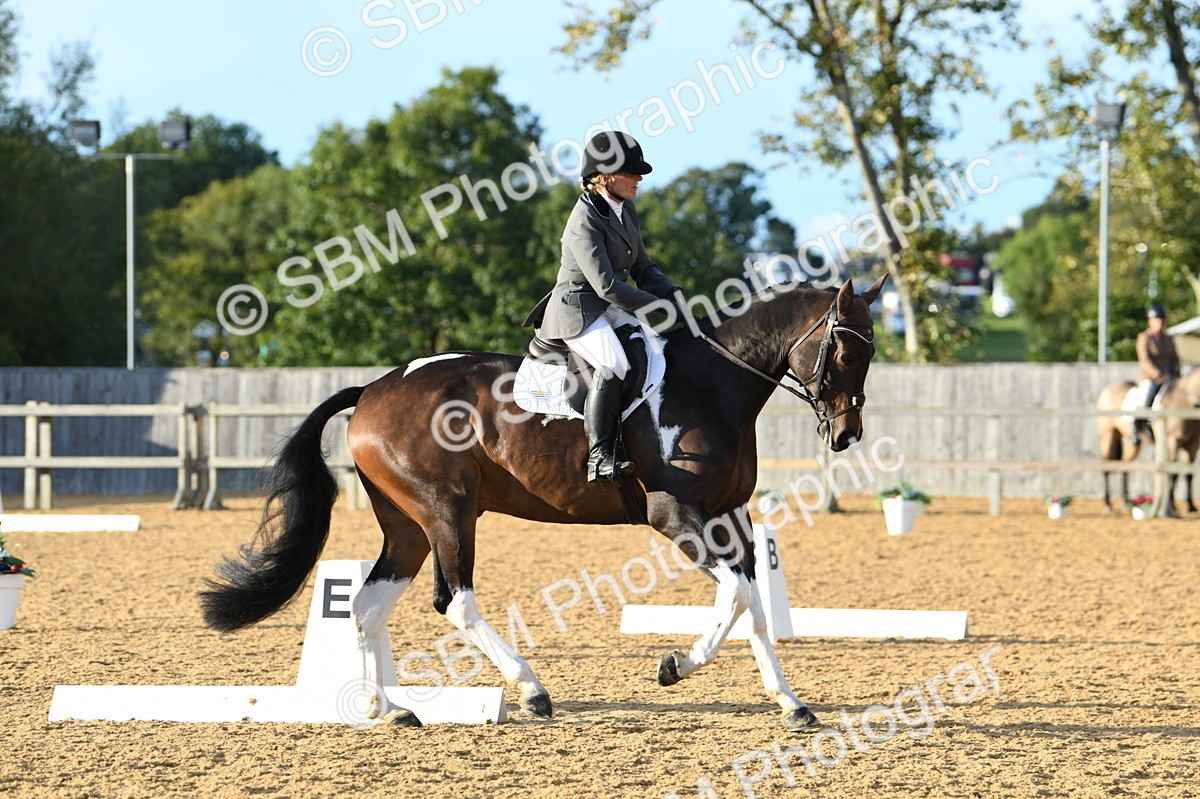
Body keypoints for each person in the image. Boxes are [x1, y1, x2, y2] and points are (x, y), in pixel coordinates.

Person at [523, 131, 681, 482]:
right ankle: (600, 454)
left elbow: (642, 267)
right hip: (577, 309)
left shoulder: (626, 210)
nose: (639, 179)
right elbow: (606, 285)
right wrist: (658, 304)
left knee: (656, 348)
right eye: (632, 173)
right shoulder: (584, 219)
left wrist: (675, 294)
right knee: (613, 363)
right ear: (605, 176)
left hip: (607, 305)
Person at [1131, 303, 1181, 445]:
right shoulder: (1144, 338)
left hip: (1169, 378)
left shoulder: (1169, 339)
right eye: (1156, 320)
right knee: (1147, 394)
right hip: (1151, 377)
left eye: (1161, 319)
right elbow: (1145, 361)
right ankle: (1138, 426)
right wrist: (1159, 374)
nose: (1159, 322)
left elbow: (1175, 358)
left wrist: (1176, 373)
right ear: (1150, 321)